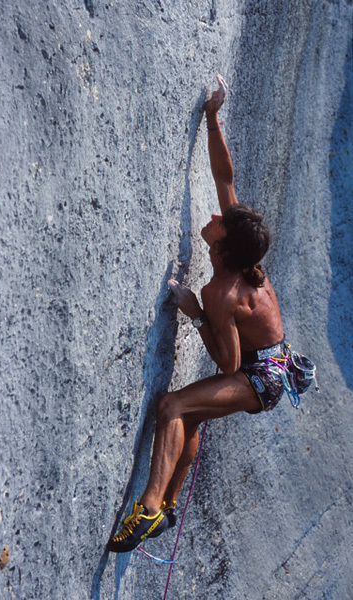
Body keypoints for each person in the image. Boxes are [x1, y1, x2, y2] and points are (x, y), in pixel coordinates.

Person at [108, 75, 286, 553]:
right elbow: (224, 178)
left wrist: (195, 313)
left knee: (172, 407)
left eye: (218, 224)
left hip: (258, 376)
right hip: (269, 365)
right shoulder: (239, 254)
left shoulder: (222, 291)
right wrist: (212, 117)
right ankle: (166, 506)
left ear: (224, 247)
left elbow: (228, 366)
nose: (213, 217)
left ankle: (148, 511)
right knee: (190, 416)